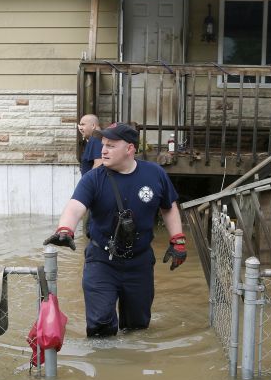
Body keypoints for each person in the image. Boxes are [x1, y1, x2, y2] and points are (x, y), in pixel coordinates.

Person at [44, 123, 187, 337]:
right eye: (103, 145)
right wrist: (65, 229)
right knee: (100, 326)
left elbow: (169, 207)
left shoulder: (155, 174)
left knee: (137, 327)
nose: (103, 150)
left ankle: (133, 366)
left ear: (129, 149)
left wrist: (178, 240)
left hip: (139, 262)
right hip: (101, 260)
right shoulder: (93, 178)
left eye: (111, 145)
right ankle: (103, 365)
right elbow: (75, 206)